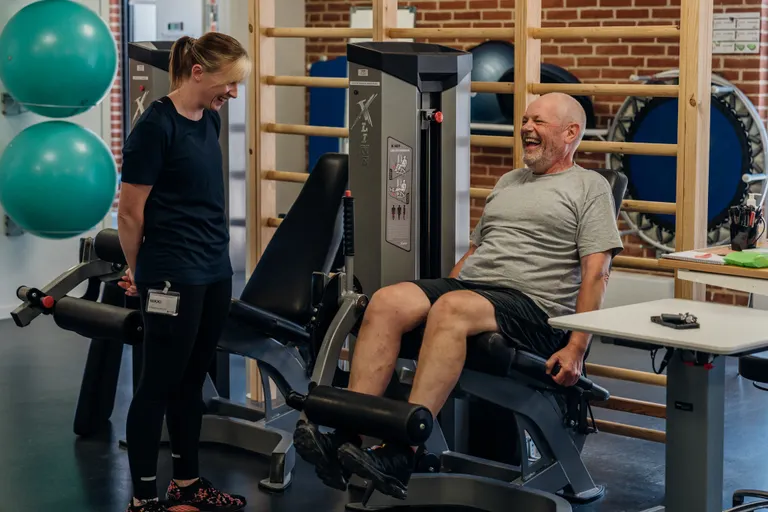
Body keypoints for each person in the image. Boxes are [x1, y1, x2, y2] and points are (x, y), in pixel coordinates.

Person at [293, 92, 624, 499]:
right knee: (389, 300)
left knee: (452, 308)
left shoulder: (590, 187)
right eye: (524, 120)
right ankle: (350, 437)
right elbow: (475, 252)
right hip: (474, 293)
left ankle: (402, 453)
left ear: (571, 132)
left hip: (534, 308)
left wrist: (576, 347)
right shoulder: (509, 181)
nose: (526, 128)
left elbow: (597, 272)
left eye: (538, 121)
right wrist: (439, 299)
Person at [117, 32, 251, 512]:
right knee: (158, 383)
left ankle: (187, 484)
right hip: (172, 271)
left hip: (214, 268)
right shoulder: (155, 126)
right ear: (198, 72)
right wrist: (141, 272)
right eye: (229, 82)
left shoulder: (209, 119)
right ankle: (143, 498)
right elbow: (130, 213)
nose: (232, 92)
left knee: (192, 381)